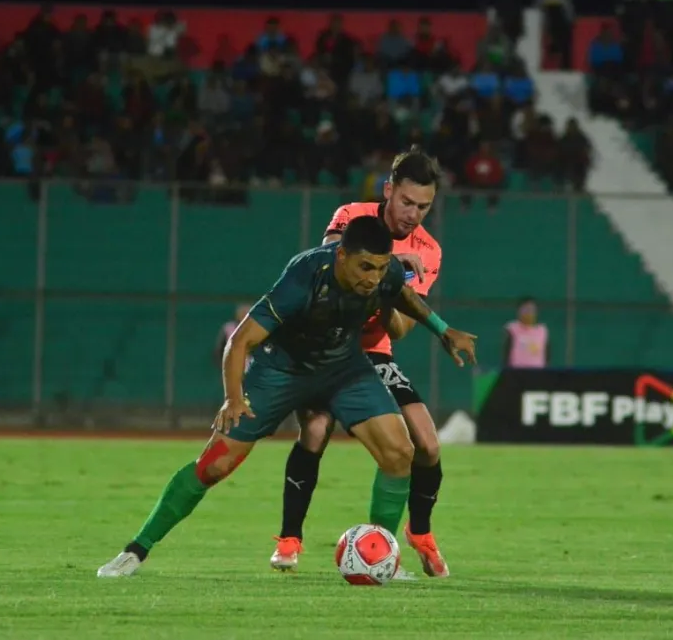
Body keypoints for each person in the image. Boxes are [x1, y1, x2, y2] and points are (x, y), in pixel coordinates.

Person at [97, 215, 477, 577]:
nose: (373, 279)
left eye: (380, 269)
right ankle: (135, 550)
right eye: (365, 268)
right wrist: (233, 399)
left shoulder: (384, 273)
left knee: (400, 453)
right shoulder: (305, 275)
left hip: (344, 369)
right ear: (342, 255)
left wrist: (444, 329)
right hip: (281, 371)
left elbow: (403, 295)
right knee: (215, 465)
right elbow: (240, 340)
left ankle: (380, 557)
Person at [270, 146, 452, 578]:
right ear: (388, 191)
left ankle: (412, 535)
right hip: (323, 342)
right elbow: (329, 267)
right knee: (314, 430)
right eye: (406, 202)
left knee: (426, 443)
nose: (413, 214)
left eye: (424, 206)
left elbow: (401, 330)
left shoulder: (428, 250)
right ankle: (288, 541)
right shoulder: (351, 214)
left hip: (372, 351)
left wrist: (391, 293)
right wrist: (389, 267)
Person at [503, 297, 549, 368]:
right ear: (518, 311)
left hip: (538, 372)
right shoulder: (512, 329)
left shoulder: (542, 331)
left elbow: (547, 354)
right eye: (525, 309)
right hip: (517, 372)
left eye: (531, 310)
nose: (529, 313)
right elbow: (506, 353)